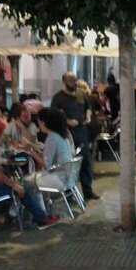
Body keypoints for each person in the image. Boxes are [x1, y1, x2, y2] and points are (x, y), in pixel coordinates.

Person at [51, 72, 98, 200]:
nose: (74, 82)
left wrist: (88, 116)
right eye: (71, 80)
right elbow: (54, 115)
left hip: (82, 131)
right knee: (68, 163)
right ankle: (69, 193)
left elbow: (88, 107)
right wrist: (67, 121)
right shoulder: (58, 98)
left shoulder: (81, 94)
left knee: (85, 161)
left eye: (74, 80)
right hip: (66, 133)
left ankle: (88, 190)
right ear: (64, 81)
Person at [26, 108, 75, 201]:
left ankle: (40, 210)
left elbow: (46, 164)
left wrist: (31, 152)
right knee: (32, 178)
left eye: (39, 122)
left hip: (59, 179)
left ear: (44, 123)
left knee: (27, 182)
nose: (38, 125)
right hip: (69, 177)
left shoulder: (52, 138)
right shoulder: (62, 135)